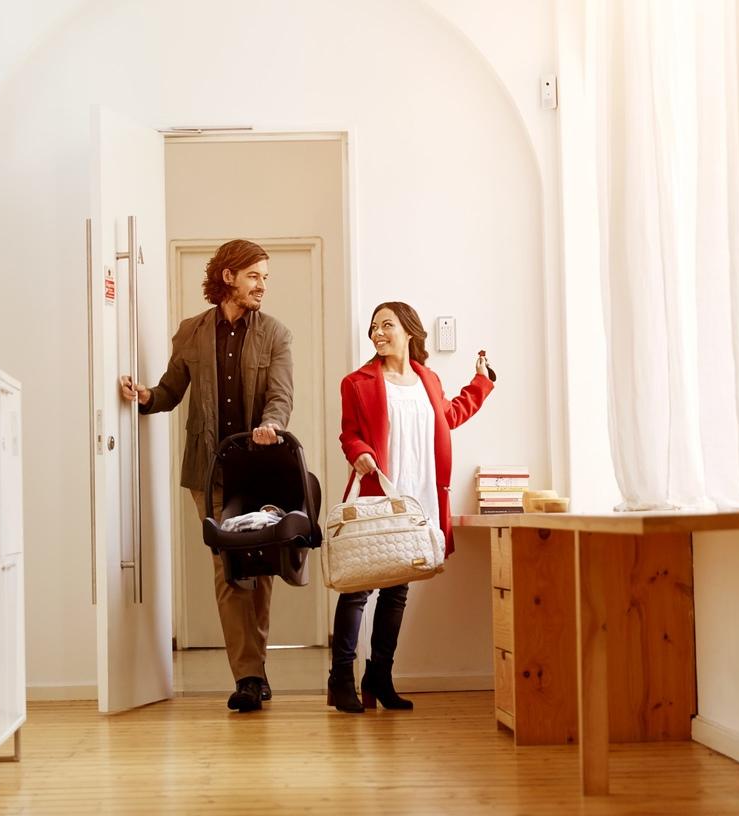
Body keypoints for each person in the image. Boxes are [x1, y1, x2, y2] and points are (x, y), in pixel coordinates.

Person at [118, 239, 292, 713]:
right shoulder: (191, 333)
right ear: (229, 276)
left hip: (260, 469)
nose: (262, 286)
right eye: (255, 275)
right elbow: (171, 391)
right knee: (229, 566)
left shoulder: (275, 334)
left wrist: (272, 424)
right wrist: (145, 397)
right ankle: (249, 676)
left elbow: (281, 395)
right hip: (209, 471)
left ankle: (254, 667)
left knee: (260, 569)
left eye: (266, 277)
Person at [328, 301, 494, 714]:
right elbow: (348, 434)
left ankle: (380, 676)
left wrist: (481, 383)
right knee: (356, 590)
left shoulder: (428, 379)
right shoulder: (357, 382)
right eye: (373, 327)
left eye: (387, 325)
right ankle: (340, 678)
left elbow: (449, 415)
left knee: (397, 588)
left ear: (409, 331)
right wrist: (360, 451)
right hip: (377, 493)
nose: (377, 333)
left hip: (417, 497)